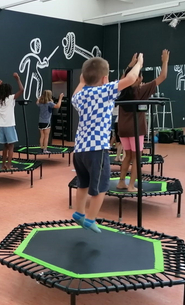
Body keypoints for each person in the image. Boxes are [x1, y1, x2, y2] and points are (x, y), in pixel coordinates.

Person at [71, 54, 144, 233]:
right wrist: (139, 63)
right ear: (105, 79)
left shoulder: (80, 97)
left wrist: (81, 81)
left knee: (83, 183)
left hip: (79, 151)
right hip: (97, 150)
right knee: (101, 186)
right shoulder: (104, 91)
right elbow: (131, 79)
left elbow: (76, 92)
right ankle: (90, 219)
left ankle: (79, 213)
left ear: (83, 78)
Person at [116, 50, 169, 192]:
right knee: (137, 158)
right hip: (136, 129)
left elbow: (123, 78)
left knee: (128, 155)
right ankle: (132, 185)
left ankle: (121, 182)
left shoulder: (122, 89)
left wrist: (131, 65)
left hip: (122, 129)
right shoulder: (141, 90)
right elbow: (162, 76)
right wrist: (164, 61)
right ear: (137, 78)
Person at [0, 73, 24, 170]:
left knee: (5, 146)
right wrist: (18, 79)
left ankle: (3, 165)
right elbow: (21, 90)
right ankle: (9, 165)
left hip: (1, 126)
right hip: (9, 125)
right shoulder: (10, 98)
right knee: (11, 146)